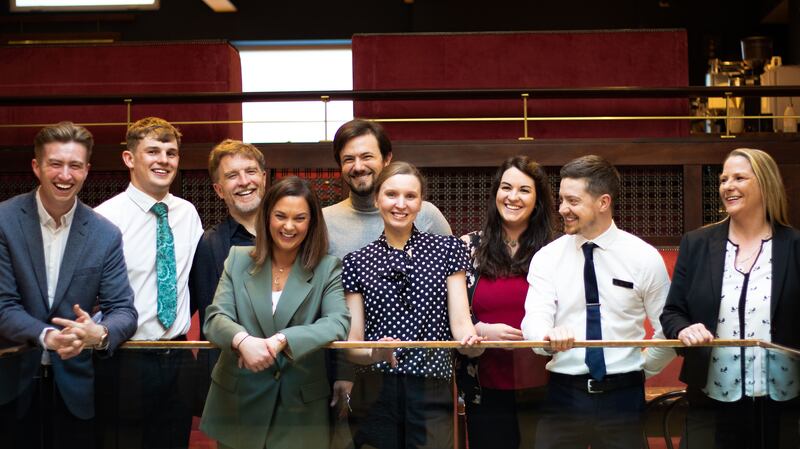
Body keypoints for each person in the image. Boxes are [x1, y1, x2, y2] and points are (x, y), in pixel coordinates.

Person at [521, 154, 675, 449]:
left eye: (573, 201)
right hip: (564, 394)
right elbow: (534, 321)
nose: (562, 209)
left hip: (624, 398)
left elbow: (668, 328)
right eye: (561, 200)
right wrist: (547, 338)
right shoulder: (547, 258)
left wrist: (641, 368)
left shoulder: (643, 257)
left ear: (603, 202)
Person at [0, 122, 137, 449]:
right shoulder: (4, 220)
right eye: (55, 164)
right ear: (37, 167)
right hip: (10, 383)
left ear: (87, 170)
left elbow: (124, 311)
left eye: (75, 165)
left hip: (75, 390)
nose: (65, 175)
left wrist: (98, 333)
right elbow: (3, 305)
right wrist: (48, 336)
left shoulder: (105, 234)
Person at [660, 148, 800, 449]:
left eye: (739, 178)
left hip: (784, 405)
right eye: (724, 179)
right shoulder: (697, 243)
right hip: (710, 401)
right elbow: (672, 312)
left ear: (766, 184)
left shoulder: (795, 246)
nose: (727, 186)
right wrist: (684, 329)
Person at [200, 176, 351, 449]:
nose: (288, 226)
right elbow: (215, 317)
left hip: (298, 409)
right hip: (239, 403)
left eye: (300, 218)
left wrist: (284, 339)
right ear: (267, 216)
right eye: (280, 216)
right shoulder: (238, 259)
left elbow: (337, 322)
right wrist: (242, 341)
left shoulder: (327, 267)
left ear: (312, 223)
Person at [342, 161, 482, 449]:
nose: (400, 204)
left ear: (420, 203)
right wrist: (374, 352)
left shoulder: (448, 249)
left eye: (410, 196)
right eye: (391, 194)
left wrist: (471, 340)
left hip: (432, 385)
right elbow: (353, 344)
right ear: (377, 199)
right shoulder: (356, 261)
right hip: (376, 387)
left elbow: (460, 322)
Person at [323, 119, 452, 428]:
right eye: (348, 159)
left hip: (428, 377)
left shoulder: (428, 215)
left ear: (387, 158)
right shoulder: (324, 222)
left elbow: (451, 294)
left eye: (367, 156)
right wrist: (343, 371)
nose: (358, 166)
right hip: (357, 371)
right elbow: (325, 305)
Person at [94, 117, 204, 449]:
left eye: (171, 153)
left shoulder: (188, 213)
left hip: (178, 355)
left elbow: (193, 280)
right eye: (153, 151)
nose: (163, 160)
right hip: (126, 357)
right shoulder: (105, 218)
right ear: (129, 158)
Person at [458, 155, 554, 449]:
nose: (513, 197)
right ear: (495, 193)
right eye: (506, 187)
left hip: (548, 385)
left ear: (537, 200)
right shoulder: (468, 247)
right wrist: (481, 330)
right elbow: (449, 310)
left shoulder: (555, 249)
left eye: (524, 190)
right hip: (484, 383)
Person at [188, 139, 266, 414]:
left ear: (264, 178)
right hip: (234, 384)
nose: (244, 181)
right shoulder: (209, 245)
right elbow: (209, 318)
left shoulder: (293, 234)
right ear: (219, 190)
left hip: (291, 377)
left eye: (250, 171)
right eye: (232, 175)